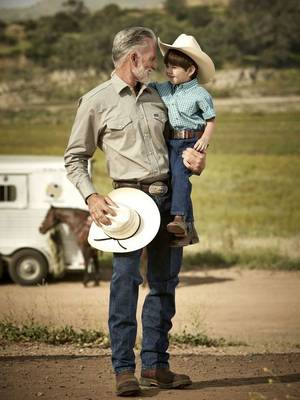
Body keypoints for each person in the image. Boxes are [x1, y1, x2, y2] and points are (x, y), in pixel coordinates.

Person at [64, 27, 206, 397]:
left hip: (170, 201)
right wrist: (92, 198)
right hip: (127, 205)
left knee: (165, 285)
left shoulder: (162, 98)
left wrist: (197, 161)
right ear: (134, 59)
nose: (157, 66)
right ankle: (124, 370)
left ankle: (157, 366)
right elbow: (75, 158)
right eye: (152, 60)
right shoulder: (95, 101)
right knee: (124, 285)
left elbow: (181, 146)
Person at [150, 34, 216, 237]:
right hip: (170, 140)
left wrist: (205, 139)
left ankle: (179, 217)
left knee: (180, 176)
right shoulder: (165, 88)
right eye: (167, 66)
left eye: (175, 67)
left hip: (189, 142)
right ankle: (176, 220)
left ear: (191, 70)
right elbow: (148, 87)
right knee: (168, 177)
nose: (169, 71)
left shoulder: (200, 94)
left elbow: (211, 120)